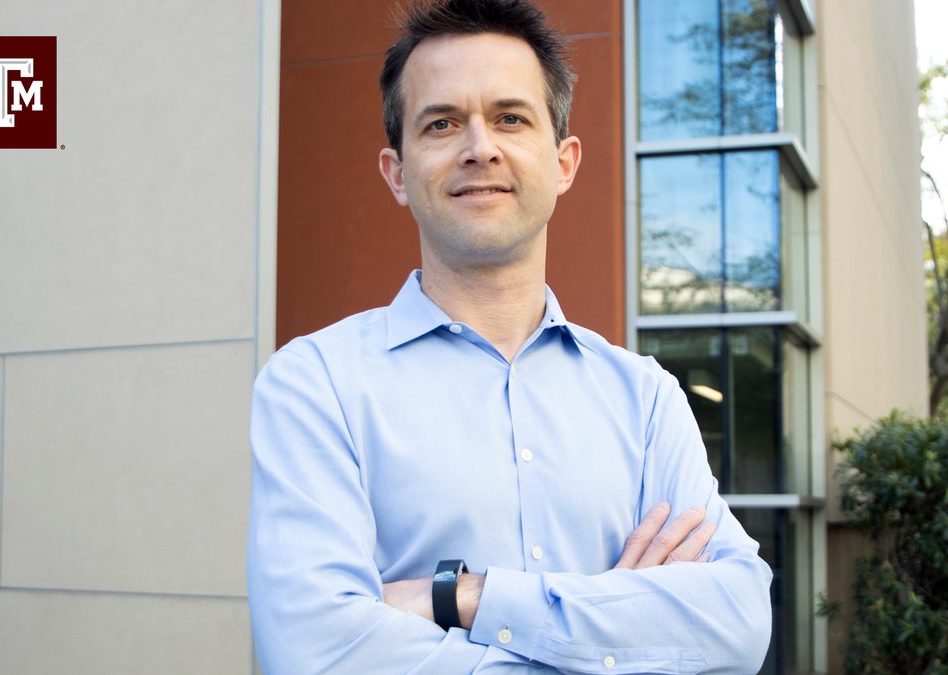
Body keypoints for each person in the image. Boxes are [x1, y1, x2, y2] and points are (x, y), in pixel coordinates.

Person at [247, 0, 773, 672]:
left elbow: (737, 620)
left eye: (511, 118)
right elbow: (317, 653)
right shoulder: (315, 384)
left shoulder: (644, 399)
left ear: (563, 163)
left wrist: (469, 596)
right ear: (397, 173)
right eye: (441, 123)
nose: (479, 146)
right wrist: (619, 628)